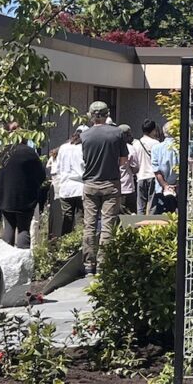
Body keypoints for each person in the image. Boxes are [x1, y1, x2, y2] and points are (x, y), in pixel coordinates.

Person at [79, 102, 126, 275]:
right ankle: (103, 264)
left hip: (90, 184)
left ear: (91, 115)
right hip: (110, 184)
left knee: (89, 225)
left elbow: (84, 159)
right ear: (107, 115)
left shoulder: (84, 135)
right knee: (108, 225)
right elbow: (123, 161)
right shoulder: (117, 133)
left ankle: (88, 265)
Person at [0, 123, 47, 249]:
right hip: (25, 197)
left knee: (8, 228)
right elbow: (41, 175)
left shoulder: (3, 152)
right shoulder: (30, 153)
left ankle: (5, 260)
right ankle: (23, 261)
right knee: (24, 229)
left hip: (5, 196)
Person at [50, 128, 84, 239]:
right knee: (80, 217)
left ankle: (65, 243)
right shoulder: (83, 148)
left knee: (67, 217)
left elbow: (58, 167)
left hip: (65, 186)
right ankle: (79, 243)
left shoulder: (63, 148)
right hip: (80, 187)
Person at [151, 127, 179, 212]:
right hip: (178, 188)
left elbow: (156, 170)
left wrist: (165, 186)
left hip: (161, 188)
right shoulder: (181, 146)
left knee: (162, 216)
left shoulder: (156, 148)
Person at [136, 119, 159, 214]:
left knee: (140, 204)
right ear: (153, 130)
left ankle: (139, 226)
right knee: (152, 203)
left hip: (140, 176)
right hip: (153, 175)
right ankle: (150, 225)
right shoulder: (156, 144)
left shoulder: (136, 144)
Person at [117, 124, 141, 215]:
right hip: (127, 186)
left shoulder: (111, 146)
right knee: (129, 213)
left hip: (113, 186)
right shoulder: (130, 148)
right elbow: (135, 168)